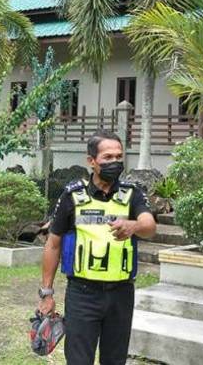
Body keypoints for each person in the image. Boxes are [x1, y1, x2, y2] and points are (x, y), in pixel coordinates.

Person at [38, 130, 157, 365]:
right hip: (83, 294)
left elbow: (149, 225)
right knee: (79, 360)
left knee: (115, 360)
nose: (115, 163)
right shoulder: (72, 195)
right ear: (91, 161)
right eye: (108, 157)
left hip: (121, 294)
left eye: (118, 157)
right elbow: (53, 244)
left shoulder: (132, 194)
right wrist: (46, 294)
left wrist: (133, 225)